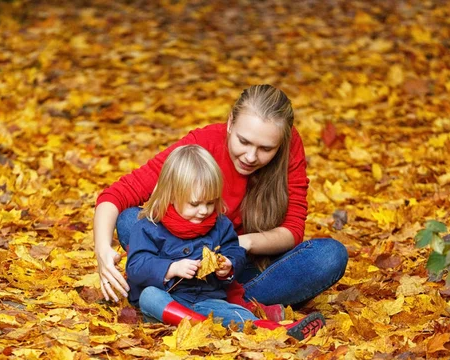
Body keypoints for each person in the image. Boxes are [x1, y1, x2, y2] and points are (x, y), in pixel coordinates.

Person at [94, 84, 348, 313]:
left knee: (329, 255)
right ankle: (231, 305)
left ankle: (208, 303)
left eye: (266, 149)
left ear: (281, 144)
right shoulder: (203, 144)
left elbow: (292, 231)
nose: (250, 156)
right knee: (130, 220)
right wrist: (102, 251)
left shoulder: (290, 149)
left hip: (242, 264)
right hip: (182, 258)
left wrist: (236, 246)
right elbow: (117, 194)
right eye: (243, 141)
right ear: (230, 124)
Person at [126, 145, 325, 339]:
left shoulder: (220, 224)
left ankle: (276, 331)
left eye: (210, 202)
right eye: (195, 204)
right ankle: (199, 324)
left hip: (208, 301)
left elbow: (234, 250)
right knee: (149, 296)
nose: (204, 210)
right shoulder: (149, 227)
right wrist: (171, 268)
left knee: (236, 315)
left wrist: (228, 266)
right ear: (170, 197)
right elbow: (136, 267)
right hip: (168, 300)